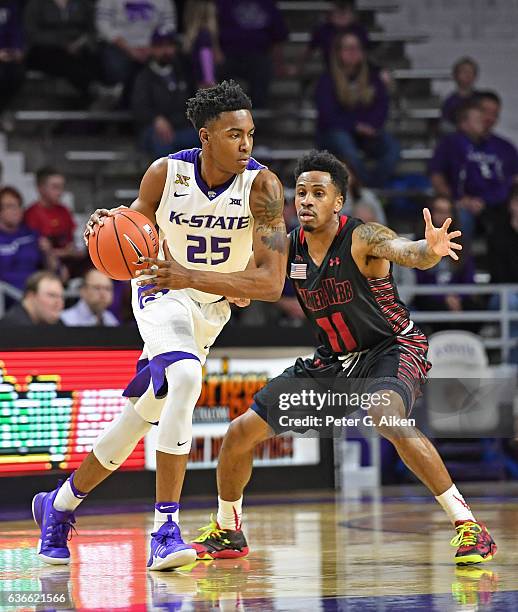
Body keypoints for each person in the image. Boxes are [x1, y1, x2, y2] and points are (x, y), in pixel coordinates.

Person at [191, 150, 497, 567]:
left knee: (385, 415)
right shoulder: (286, 245)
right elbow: (248, 279)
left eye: (318, 193)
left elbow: (408, 252)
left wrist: (431, 249)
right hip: (333, 361)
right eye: (300, 193)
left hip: (391, 347)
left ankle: (468, 526)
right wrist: (232, 287)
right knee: (239, 433)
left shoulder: (363, 237)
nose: (306, 201)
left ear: (338, 201)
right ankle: (228, 530)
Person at [31, 80, 287, 571]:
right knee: (186, 379)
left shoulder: (264, 188)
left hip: (206, 305)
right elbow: (131, 235)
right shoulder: (165, 174)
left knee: (147, 412)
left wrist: (210, 279)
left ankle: (58, 505)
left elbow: (271, 283)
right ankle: (164, 530)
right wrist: (107, 226)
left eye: (251, 134)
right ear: (206, 135)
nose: (246, 145)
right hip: (159, 290)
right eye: (234, 135)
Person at [316, 32, 400, 188]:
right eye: (348, 48)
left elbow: (382, 106)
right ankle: (365, 186)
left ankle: (375, 186)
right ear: (338, 52)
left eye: (357, 48)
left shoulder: (373, 78)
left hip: (366, 133)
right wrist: (355, 126)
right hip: (335, 132)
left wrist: (371, 126)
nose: (353, 52)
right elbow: (328, 115)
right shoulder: (327, 80)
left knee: (393, 147)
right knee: (347, 147)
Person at [429, 100, 518, 237]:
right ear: (464, 124)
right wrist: (459, 200)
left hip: (497, 203)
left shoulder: (498, 145)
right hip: (463, 203)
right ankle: (461, 258)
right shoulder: (450, 144)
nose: (482, 123)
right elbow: (437, 176)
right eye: (477, 120)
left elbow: (512, 178)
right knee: (461, 218)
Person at [131, 27, 198, 158]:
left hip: (182, 128)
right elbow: (139, 107)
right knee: (161, 139)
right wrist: (156, 119)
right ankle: (167, 178)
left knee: (210, 136)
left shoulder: (183, 72)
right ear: (152, 49)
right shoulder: (143, 76)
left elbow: (194, 99)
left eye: (169, 46)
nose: (165, 51)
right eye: (160, 46)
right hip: (153, 130)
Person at [96, 0, 177, 104]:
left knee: (170, 59)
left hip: (154, 46)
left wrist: (152, 47)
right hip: (120, 46)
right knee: (115, 64)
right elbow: (103, 25)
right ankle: (117, 101)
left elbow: (169, 25)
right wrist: (129, 48)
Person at [216, 0, 289, 108]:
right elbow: (212, 29)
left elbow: (277, 37)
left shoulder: (267, 4)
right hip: (228, 55)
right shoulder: (224, 3)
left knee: (262, 73)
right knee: (218, 74)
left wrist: (280, 65)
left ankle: (257, 117)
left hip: (258, 56)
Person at [24, 0, 101, 102]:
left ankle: (93, 94)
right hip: (45, 49)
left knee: (95, 58)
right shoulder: (36, 3)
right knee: (66, 62)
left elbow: (93, 30)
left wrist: (82, 43)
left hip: (80, 47)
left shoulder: (84, 3)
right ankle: (92, 91)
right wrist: (62, 43)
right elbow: (31, 33)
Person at [413, 196, 476, 318]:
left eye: (447, 212)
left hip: (458, 297)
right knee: (432, 307)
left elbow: (468, 278)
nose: (443, 216)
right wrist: (443, 297)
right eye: (439, 211)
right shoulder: (417, 244)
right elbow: (419, 279)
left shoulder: (461, 243)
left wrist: (456, 297)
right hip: (429, 297)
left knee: (474, 308)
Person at [23, 167, 83, 276]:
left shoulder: (64, 210)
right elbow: (38, 250)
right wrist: (64, 252)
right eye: (55, 187)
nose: (60, 192)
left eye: (62, 187)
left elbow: (72, 243)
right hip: (45, 265)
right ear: (40, 188)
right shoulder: (31, 214)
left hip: (70, 261)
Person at [0, 186, 57, 295]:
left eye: (19, 206)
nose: (16, 210)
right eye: (10, 206)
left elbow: (55, 272)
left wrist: (48, 252)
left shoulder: (33, 235)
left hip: (33, 298)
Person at [300, 0, 369, 70]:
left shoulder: (360, 31)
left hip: (357, 73)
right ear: (330, 13)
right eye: (337, 11)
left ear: (353, 13)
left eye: (345, 12)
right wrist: (298, 67)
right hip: (331, 73)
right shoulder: (322, 30)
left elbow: (366, 55)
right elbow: (308, 51)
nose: (341, 15)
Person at [182, 0, 222, 89]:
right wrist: (209, 81)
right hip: (204, 85)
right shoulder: (204, 35)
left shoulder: (195, 36)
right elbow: (205, 55)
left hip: (196, 82)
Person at [0, 0, 25, 113]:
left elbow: (15, 29)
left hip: (6, 53)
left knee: (16, 74)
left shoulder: (10, 5)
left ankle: (3, 110)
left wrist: (16, 49)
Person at [442, 57, 480, 126]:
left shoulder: (481, 99)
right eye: (464, 72)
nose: (467, 75)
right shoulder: (450, 102)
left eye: (471, 72)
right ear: (455, 75)